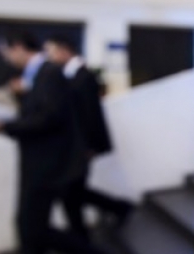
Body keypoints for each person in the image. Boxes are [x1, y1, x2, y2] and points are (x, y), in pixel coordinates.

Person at [0, 30, 110, 254]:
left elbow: (51, 117)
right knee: (29, 224)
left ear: (18, 46)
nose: (7, 59)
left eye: (7, 52)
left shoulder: (50, 73)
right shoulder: (40, 75)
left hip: (50, 163)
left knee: (32, 225)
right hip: (40, 160)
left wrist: (7, 126)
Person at [43, 35, 133, 240]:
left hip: (82, 145)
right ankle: (114, 210)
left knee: (71, 190)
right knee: (72, 190)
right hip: (76, 144)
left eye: (52, 52)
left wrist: (89, 146)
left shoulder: (83, 76)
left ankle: (113, 212)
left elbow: (90, 114)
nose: (50, 57)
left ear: (64, 50)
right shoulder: (71, 75)